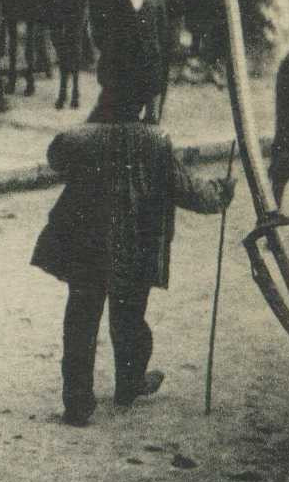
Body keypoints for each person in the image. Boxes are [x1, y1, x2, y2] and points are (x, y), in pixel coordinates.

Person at [32, 107, 231, 426]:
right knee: (129, 317)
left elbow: (56, 160)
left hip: (87, 245)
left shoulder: (79, 138)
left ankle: (77, 401)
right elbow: (186, 190)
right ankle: (129, 382)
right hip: (137, 241)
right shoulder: (155, 140)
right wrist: (220, 193)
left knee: (81, 318)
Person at [92, 0, 171, 124]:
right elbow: (110, 36)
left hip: (150, 64)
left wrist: (160, 59)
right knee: (126, 112)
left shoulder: (156, 2)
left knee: (152, 115)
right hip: (126, 66)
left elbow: (163, 35)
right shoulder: (119, 3)